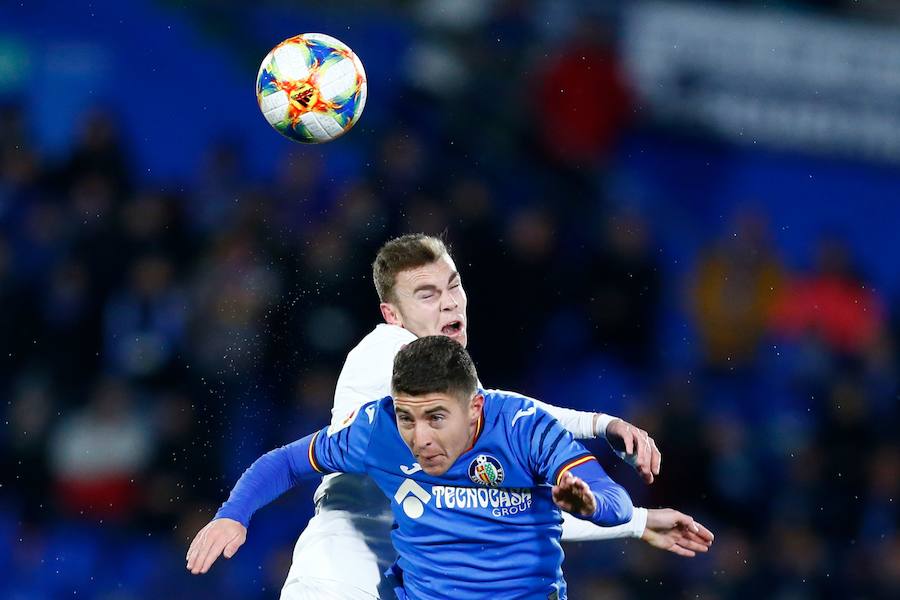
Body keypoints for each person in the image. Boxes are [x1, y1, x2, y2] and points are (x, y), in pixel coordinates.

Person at [195, 234, 703, 598]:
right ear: (392, 315)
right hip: (347, 557)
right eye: (427, 294)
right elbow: (288, 461)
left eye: (454, 286)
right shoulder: (387, 358)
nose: (450, 303)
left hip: (410, 565)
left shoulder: (460, 391)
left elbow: (513, 507)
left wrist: (632, 522)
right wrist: (597, 425)